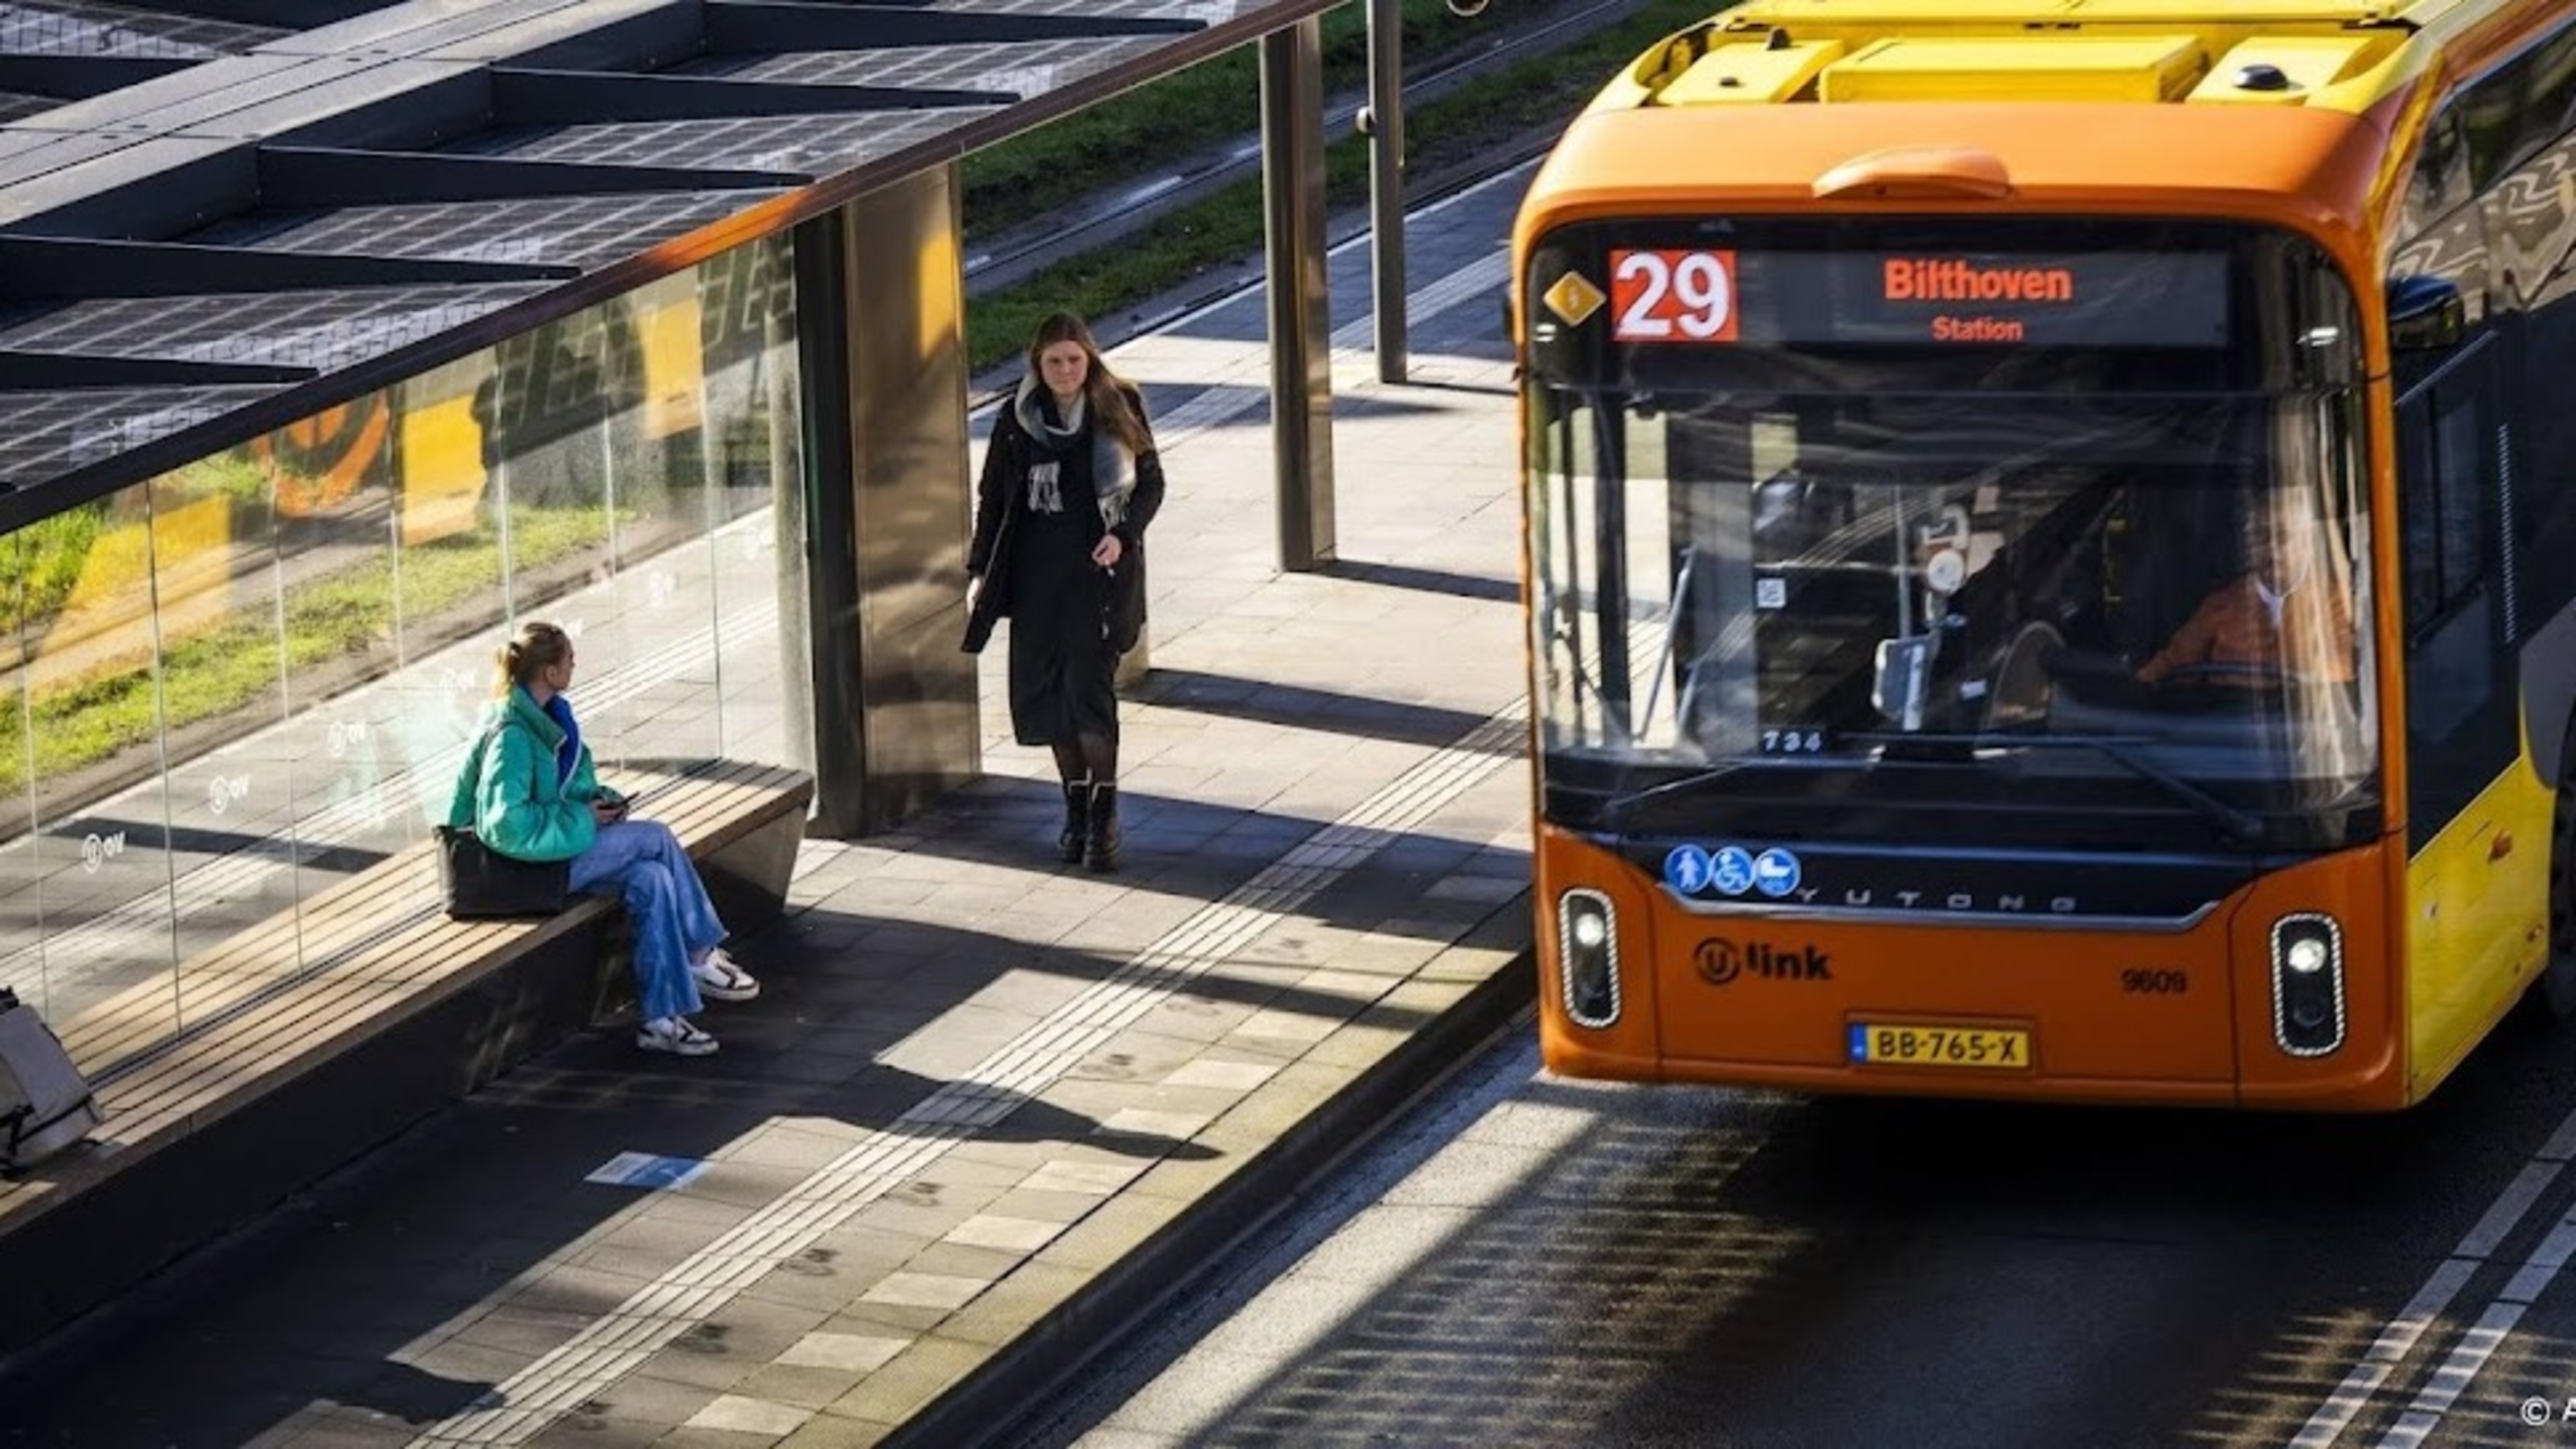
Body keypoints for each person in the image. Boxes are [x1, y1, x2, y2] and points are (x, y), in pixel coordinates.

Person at [447, 621, 760, 1057]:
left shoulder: (551, 718)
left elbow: (570, 788)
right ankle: (699, 952)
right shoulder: (513, 736)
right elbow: (506, 827)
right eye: (569, 658)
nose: (576, 664)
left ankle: (661, 1021)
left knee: (652, 878)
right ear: (550, 672)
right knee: (655, 838)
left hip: (555, 854)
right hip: (527, 870)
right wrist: (583, 819)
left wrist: (601, 802)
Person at [963, 312, 1167, 872]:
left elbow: (1150, 483)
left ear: (1089, 358)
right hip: (1034, 580)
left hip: (1095, 580)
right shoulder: (1017, 417)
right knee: (1050, 700)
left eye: (1074, 359)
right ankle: (1075, 812)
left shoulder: (1117, 403)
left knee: (1090, 699)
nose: (1065, 371)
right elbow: (994, 498)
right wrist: (979, 571)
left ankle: (1104, 822)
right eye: (1054, 361)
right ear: (1038, 364)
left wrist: (1122, 538)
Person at [2135, 508, 2357, 687]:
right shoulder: (2221, 604)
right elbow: (2173, 663)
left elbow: (2344, 675)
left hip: (2304, 731)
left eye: (2283, 537)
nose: (2271, 549)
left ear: (2307, 542)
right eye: (2260, 537)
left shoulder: (2335, 601)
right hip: (2228, 729)